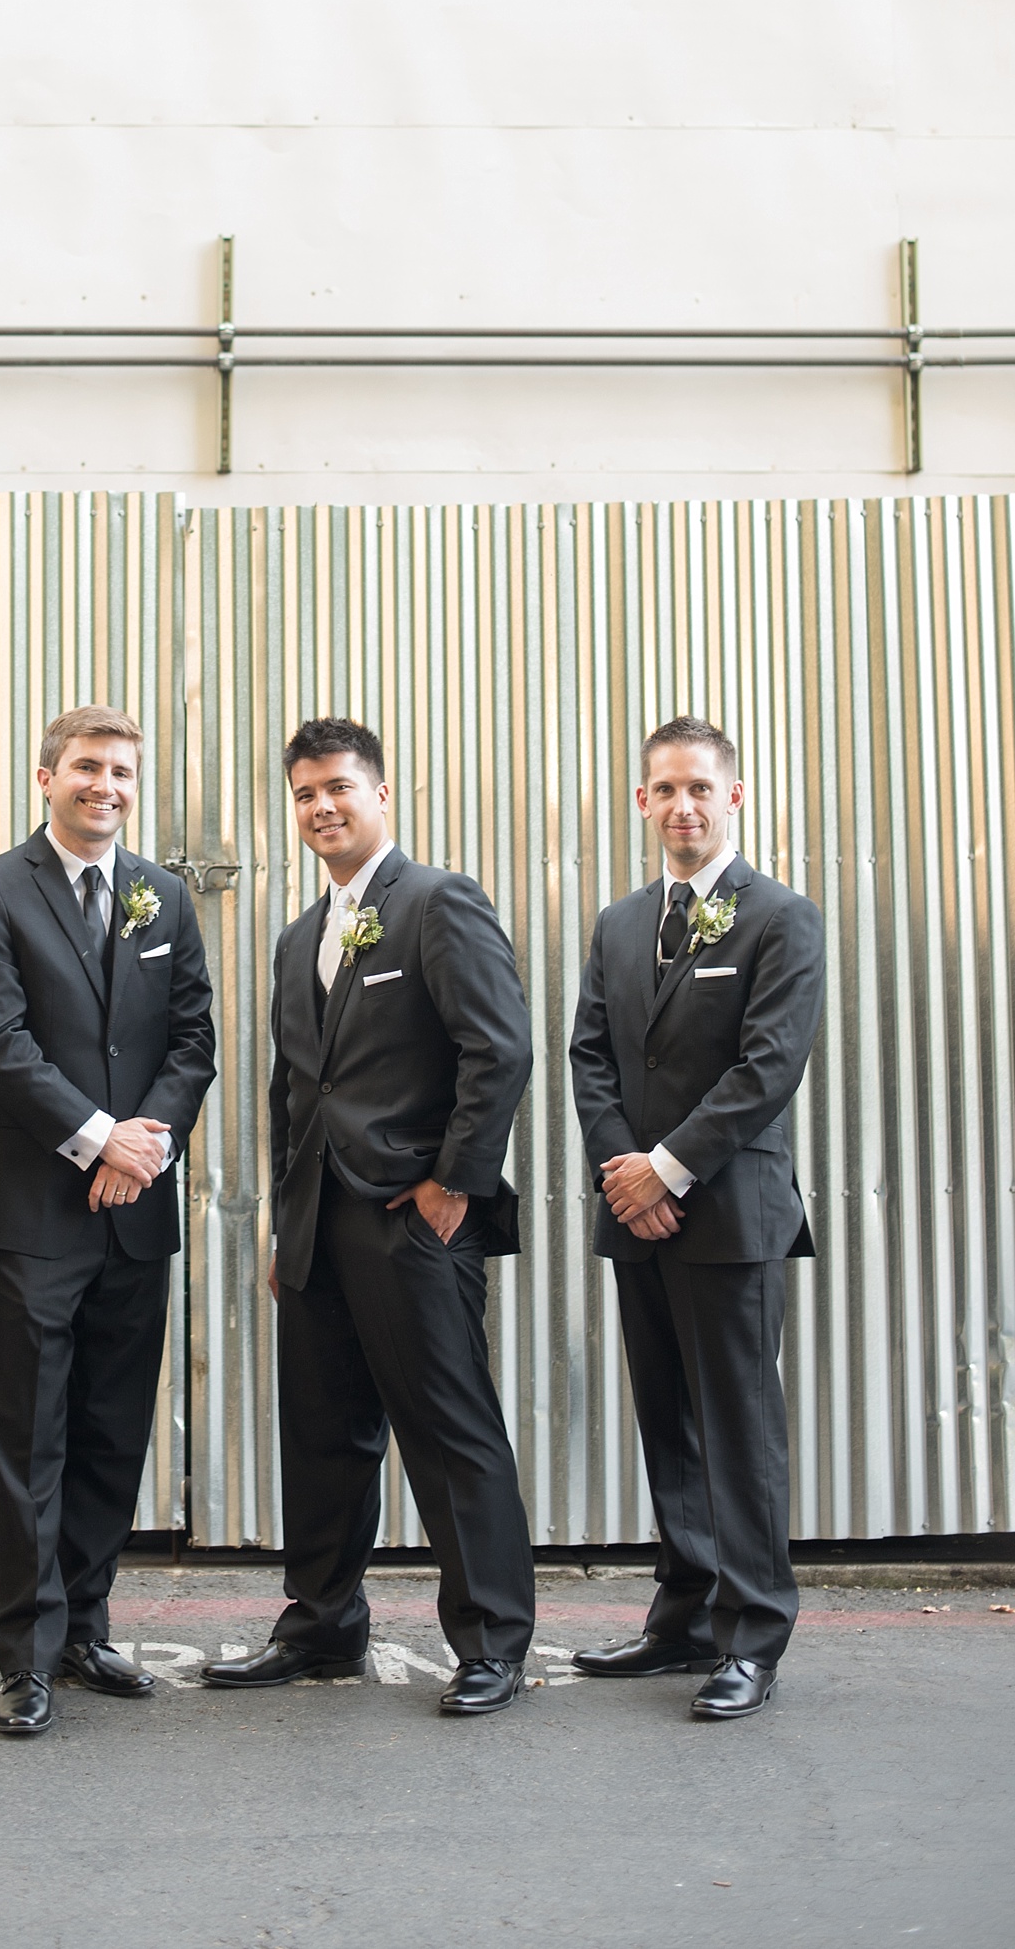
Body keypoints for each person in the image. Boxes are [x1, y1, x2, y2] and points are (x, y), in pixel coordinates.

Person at [204, 716, 536, 1716]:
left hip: (410, 1218)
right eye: (304, 793)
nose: (321, 807)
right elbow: (287, 1090)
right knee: (321, 1435)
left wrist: (452, 1184)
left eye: (339, 788)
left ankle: (489, 1641)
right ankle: (321, 1624)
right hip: (315, 1227)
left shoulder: (437, 903)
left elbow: (498, 1050)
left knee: (447, 1429)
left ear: (381, 795)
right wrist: (279, 1219)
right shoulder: (299, 936)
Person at [0, 706, 215, 1737]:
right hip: (33, 1214)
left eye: (120, 771)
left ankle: (86, 1626)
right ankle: (24, 1654)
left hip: (131, 1212)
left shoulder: (164, 897)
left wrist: (144, 1147)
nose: (104, 785)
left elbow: (191, 1037)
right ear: (44, 777)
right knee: (33, 1439)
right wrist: (96, 1138)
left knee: (111, 1432)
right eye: (86, 768)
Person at [568, 713, 825, 1720]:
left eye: (699, 790)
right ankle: (680, 1619)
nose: (681, 807)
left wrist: (666, 1170)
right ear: (641, 801)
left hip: (725, 1216)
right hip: (634, 1214)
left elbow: (767, 1067)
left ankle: (751, 1633)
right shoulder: (619, 923)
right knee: (666, 1424)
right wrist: (618, 1173)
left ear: (733, 798)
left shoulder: (779, 918)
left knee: (735, 1429)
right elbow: (590, 1057)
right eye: (663, 790)